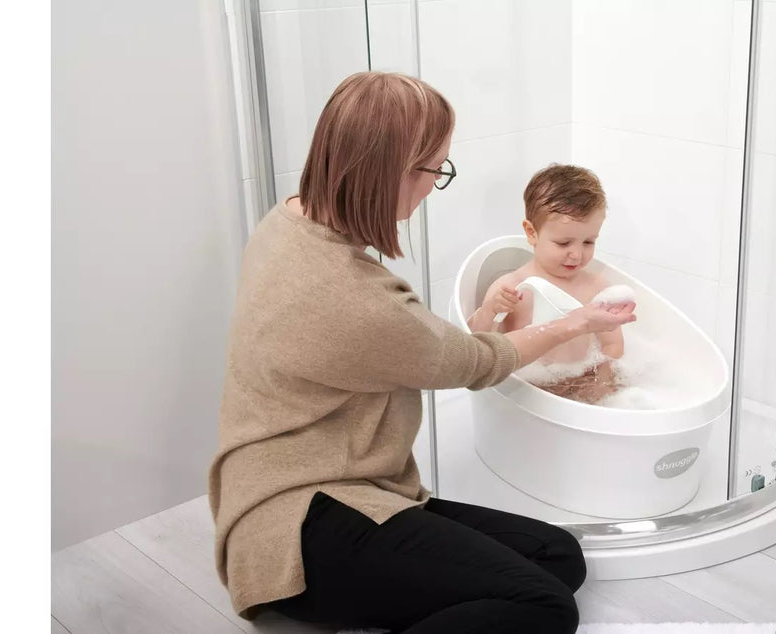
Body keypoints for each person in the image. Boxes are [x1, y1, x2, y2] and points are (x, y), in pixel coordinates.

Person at [208, 71, 636, 634]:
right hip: (300, 523)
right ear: (393, 171)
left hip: (338, 485)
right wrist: (578, 320)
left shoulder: (286, 220)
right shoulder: (352, 297)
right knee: (546, 606)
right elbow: (476, 361)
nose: (435, 184)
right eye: (435, 168)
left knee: (557, 557)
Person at [467, 164, 625, 404]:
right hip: (525, 392)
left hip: (581, 382)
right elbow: (476, 346)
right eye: (564, 243)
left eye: (588, 242)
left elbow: (613, 345)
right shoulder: (513, 287)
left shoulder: (598, 288)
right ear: (531, 233)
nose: (576, 254)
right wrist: (490, 310)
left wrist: (600, 383)